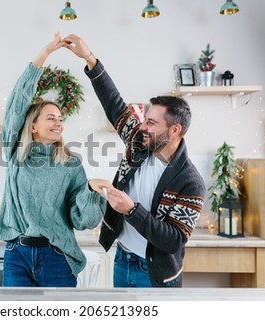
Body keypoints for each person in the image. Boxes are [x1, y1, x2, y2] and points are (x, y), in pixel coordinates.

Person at [63, 34, 206, 288]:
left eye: (151, 122)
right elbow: (115, 105)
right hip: (122, 259)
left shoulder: (190, 181)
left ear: (174, 130)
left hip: (154, 274)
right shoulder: (140, 142)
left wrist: (131, 210)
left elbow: (173, 240)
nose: (142, 125)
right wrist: (89, 58)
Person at [0, 33, 107, 287]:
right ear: (33, 126)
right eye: (50, 117)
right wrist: (44, 53)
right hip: (17, 255)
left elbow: (83, 221)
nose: (58, 122)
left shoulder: (71, 163)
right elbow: (16, 104)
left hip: (56, 257)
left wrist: (90, 191)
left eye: (60, 118)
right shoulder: (15, 153)